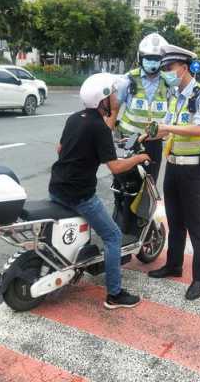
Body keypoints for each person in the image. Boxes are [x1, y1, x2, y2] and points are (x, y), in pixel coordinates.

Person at [49, 73, 150, 310]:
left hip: (57, 188)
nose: (116, 96)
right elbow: (114, 166)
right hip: (80, 195)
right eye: (113, 93)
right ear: (103, 99)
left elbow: (61, 148)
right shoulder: (98, 128)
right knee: (113, 236)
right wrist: (138, 158)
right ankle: (114, 294)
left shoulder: (76, 118)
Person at [146, 44, 200, 301]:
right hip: (173, 166)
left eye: (169, 68)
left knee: (197, 224)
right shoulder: (174, 96)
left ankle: (199, 278)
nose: (166, 72)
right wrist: (149, 133)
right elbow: (166, 128)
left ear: (184, 68)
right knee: (175, 221)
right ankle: (174, 265)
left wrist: (168, 127)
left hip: (194, 169)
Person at [116, 33, 169, 182]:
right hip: (130, 140)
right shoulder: (128, 79)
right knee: (125, 184)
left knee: (149, 183)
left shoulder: (169, 83)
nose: (152, 63)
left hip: (155, 141)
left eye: (156, 59)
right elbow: (113, 109)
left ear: (163, 61)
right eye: (148, 59)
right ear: (141, 58)